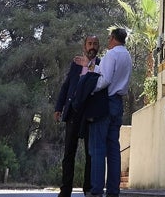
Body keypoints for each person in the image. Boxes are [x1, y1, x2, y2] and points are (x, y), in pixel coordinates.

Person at [78, 27, 133, 197]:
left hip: (104, 103)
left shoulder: (112, 54)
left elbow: (105, 79)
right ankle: (113, 190)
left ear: (114, 38)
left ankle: (96, 190)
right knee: (113, 148)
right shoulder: (127, 56)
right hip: (118, 102)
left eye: (109, 38)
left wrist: (89, 88)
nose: (108, 41)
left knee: (97, 149)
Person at [55, 35, 101, 197]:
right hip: (73, 112)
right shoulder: (75, 65)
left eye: (95, 44)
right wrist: (59, 107)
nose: (92, 46)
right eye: (90, 43)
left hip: (90, 114)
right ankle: (65, 189)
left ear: (98, 47)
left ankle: (88, 188)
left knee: (90, 153)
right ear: (84, 46)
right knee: (69, 153)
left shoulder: (101, 65)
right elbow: (66, 86)